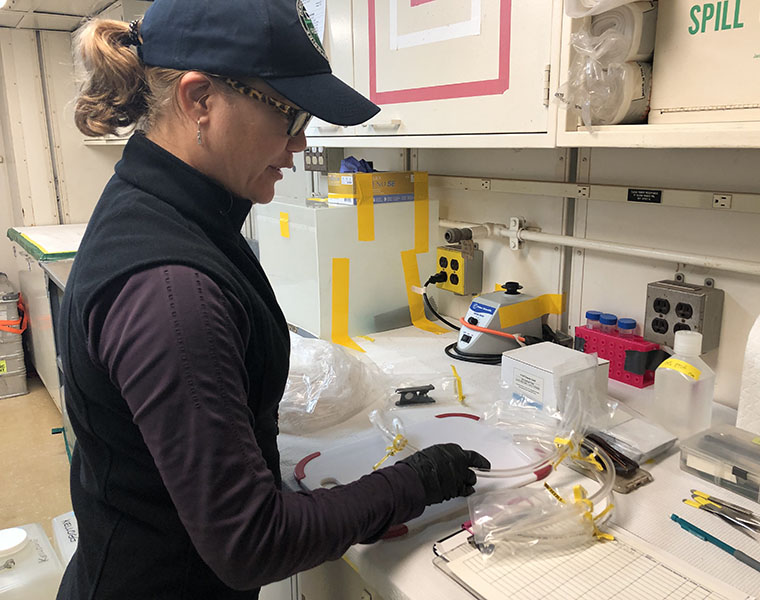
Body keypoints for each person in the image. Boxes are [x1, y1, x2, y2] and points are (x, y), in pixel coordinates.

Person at [56, 1, 490, 598]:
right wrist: (412, 482)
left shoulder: (168, 210)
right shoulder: (171, 288)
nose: (298, 146)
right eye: (289, 116)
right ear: (199, 99)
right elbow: (251, 542)